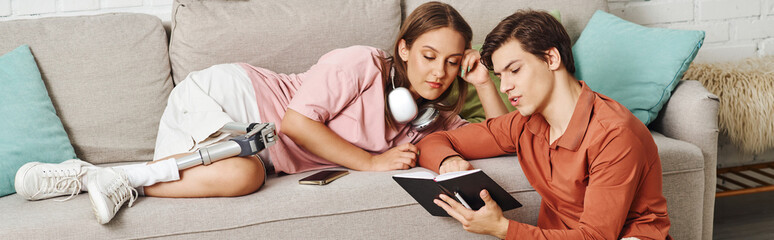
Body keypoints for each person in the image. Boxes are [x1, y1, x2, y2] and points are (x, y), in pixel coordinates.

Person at [13, 2, 508, 225]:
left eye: (450, 61)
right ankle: (104, 178)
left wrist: (483, 81)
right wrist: (371, 162)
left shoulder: (431, 117)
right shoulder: (361, 62)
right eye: (427, 56)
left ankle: (97, 178)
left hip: (255, 151)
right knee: (249, 156)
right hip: (232, 99)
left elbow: (497, 138)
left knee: (247, 174)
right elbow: (294, 124)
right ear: (402, 48)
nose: (438, 72)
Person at [416, 10, 672, 240]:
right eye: (500, 76)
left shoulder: (613, 135)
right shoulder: (523, 124)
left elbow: (596, 237)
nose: (505, 87)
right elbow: (433, 141)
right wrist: (447, 161)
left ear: (551, 58)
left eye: (514, 70)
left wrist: (502, 228)